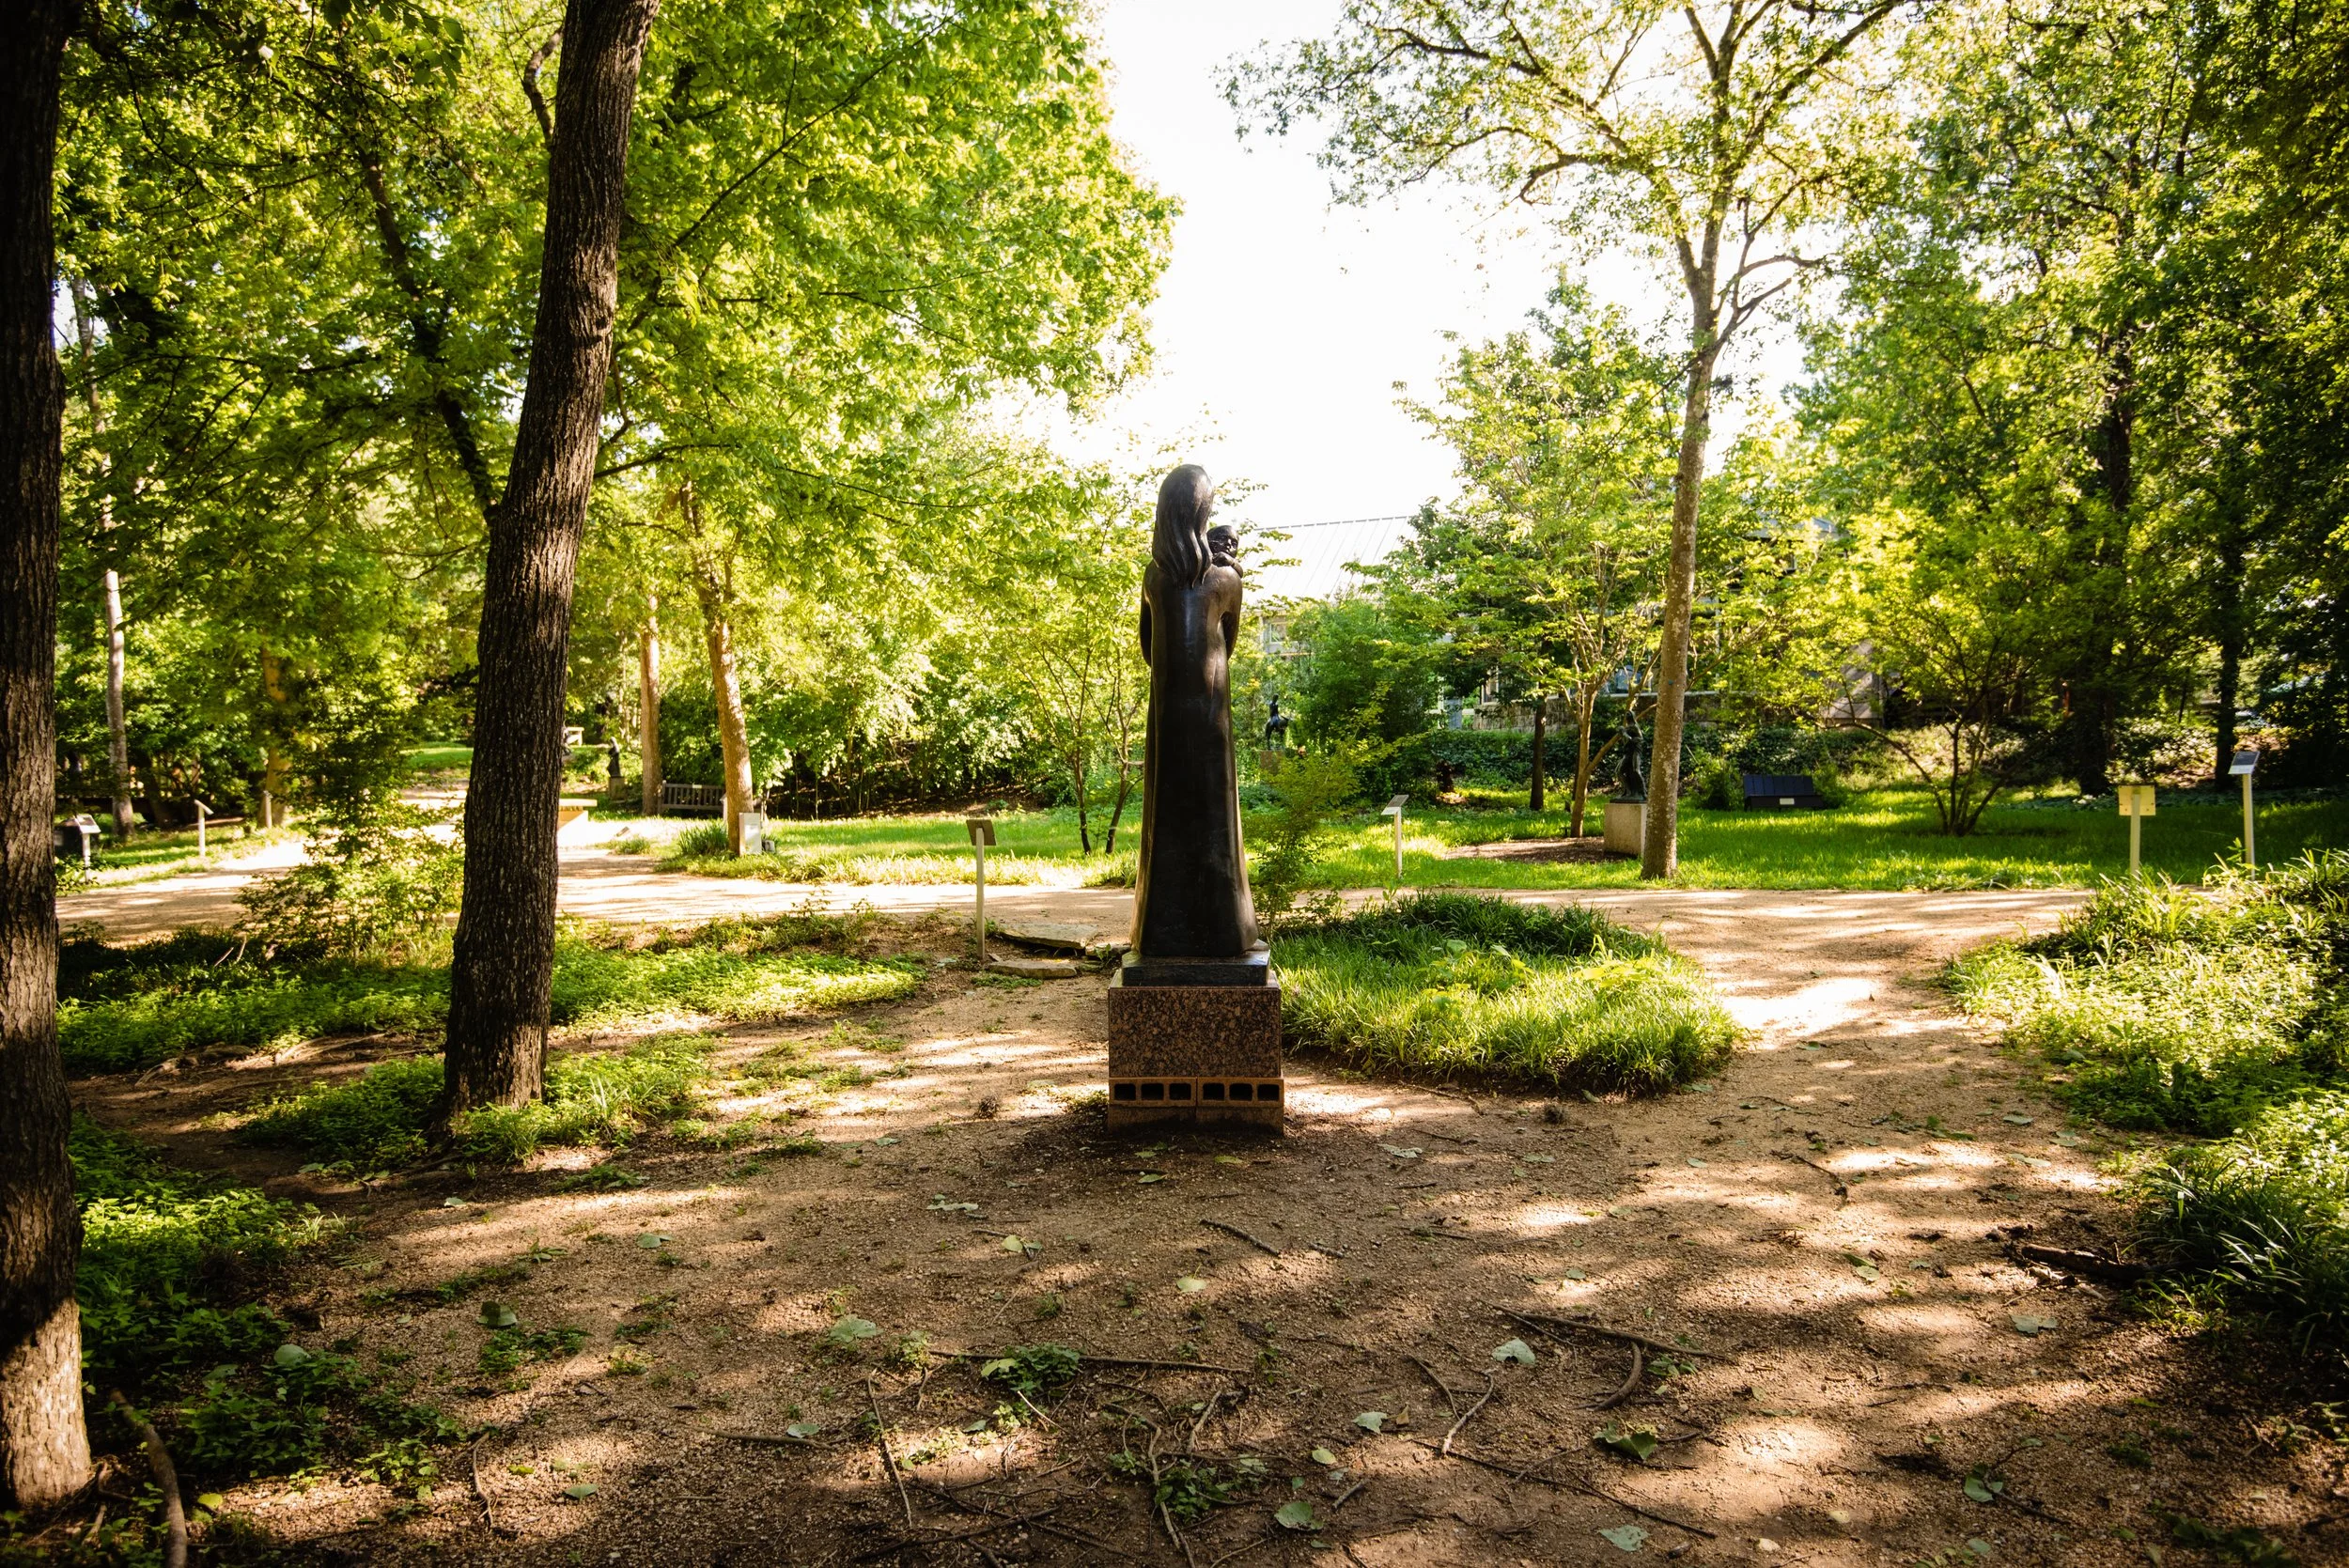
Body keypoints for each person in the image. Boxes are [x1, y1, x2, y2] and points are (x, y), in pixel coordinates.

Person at [1132, 466, 1259, 957]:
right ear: (1203, 514)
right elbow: (1229, 642)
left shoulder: (1153, 578)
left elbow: (1148, 646)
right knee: (1213, 816)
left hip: (1166, 708)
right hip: (1210, 711)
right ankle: (1226, 930)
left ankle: (1159, 933)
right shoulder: (1225, 579)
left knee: (1166, 815)